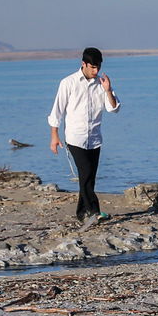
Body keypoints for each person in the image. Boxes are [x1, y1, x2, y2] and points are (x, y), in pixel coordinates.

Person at [48, 48, 120, 225]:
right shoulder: (68, 83)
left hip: (95, 139)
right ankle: (94, 211)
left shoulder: (102, 84)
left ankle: (81, 213)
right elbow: (57, 111)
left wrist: (108, 90)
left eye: (98, 67)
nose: (96, 71)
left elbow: (114, 108)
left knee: (88, 177)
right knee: (86, 173)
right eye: (93, 67)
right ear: (84, 64)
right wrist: (54, 136)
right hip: (75, 137)